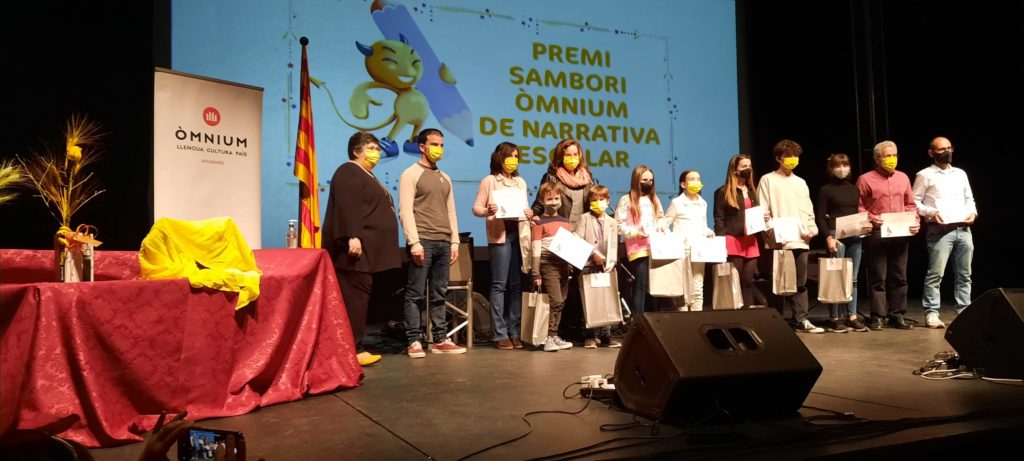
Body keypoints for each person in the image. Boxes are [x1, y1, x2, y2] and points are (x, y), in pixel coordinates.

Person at [322, 131, 401, 366]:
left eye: (377, 149)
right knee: (355, 298)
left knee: (359, 296)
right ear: (357, 151)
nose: (376, 153)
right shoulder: (348, 171)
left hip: (367, 252)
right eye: (371, 149)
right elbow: (348, 207)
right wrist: (352, 236)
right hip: (354, 250)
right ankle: (352, 349)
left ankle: (354, 346)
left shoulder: (366, 174)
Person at [398, 128, 466, 357]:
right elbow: (405, 210)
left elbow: (451, 211)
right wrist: (414, 242)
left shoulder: (445, 177)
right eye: (434, 144)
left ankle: (439, 339)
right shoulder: (410, 174)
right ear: (422, 147)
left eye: (441, 145)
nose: (439, 149)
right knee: (415, 293)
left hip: (444, 242)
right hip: (423, 240)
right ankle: (414, 340)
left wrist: (454, 242)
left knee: (439, 293)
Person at [472, 142, 533, 350]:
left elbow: (524, 208)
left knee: (517, 285)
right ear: (500, 158)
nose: (514, 160)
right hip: (500, 236)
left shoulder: (520, 182)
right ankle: (499, 333)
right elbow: (476, 208)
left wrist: (529, 213)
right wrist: (487, 211)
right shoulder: (489, 181)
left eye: (516, 156)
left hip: (519, 235)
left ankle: (515, 331)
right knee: (499, 285)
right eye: (510, 156)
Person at [758, 139, 822, 333]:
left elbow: (808, 211)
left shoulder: (801, 182)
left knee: (800, 282)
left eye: (795, 156)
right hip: (779, 240)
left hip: (800, 239)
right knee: (779, 281)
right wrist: (772, 232)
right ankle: (776, 320)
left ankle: (801, 318)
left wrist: (812, 229)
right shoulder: (768, 180)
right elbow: (763, 211)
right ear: (779, 158)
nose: (793, 159)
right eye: (788, 156)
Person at [913, 136, 977, 328]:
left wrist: (973, 212)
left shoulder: (960, 173)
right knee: (935, 274)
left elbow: (969, 198)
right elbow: (914, 201)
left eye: (949, 148)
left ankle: (964, 311)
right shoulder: (924, 175)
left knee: (964, 274)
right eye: (942, 149)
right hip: (940, 230)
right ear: (931, 153)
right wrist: (931, 213)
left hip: (963, 229)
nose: (947, 152)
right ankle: (932, 312)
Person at [857, 140, 920, 330]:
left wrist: (915, 221)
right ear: (878, 158)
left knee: (899, 276)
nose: (892, 159)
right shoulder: (865, 179)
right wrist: (871, 218)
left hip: (900, 234)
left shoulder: (903, 177)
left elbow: (910, 204)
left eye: (895, 155)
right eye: (888, 156)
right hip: (877, 234)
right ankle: (878, 316)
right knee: (878, 277)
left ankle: (897, 315)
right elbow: (859, 206)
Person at [816, 153, 872, 332]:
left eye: (845, 165)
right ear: (831, 169)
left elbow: (859, 212)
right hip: (835, 236)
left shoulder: (854, 189)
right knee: (835, 276)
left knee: (853, 278)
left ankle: (852, 316)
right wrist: (828, 237)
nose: (842, 169)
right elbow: (820, 217)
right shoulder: (826, 190)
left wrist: (865, 225)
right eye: (837, 166)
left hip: (854, 235)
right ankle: (835, 317)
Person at [713, 155, 768, 309]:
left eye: (749, 166)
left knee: (748, 280)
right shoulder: (723, 191)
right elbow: (719, 219)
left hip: (750, 240)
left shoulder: (752, 191)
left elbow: (753, 215)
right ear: (734, 170)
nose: (748, 169)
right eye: (744, 166)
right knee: (734, 281)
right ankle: (733, 314)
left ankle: (747, 313)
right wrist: (721, 242)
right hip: (733, 239)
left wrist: (763, 217)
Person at [574, 184, 622, 348]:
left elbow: (614, 244)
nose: (598, 203)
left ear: (607, 201)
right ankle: (590, 335)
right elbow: (578, 239)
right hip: (589, 265)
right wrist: (592, 253)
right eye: (594, 200)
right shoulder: (585, 218)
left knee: (606, 299)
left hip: (606, 267)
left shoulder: (612, 222)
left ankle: (606, 334)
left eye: (601, 200)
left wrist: (612, 262)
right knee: (590, 300)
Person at [616, 165, 664, 320]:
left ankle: (655, 320)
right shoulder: (626, 199)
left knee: (655, 286)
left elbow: (661, 218)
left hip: (656, 247)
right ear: (636, 180)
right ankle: (638, 321)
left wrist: (661, 226)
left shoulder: (654, 199)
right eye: (644, 180)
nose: (648, 183)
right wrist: (635, 232)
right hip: (638, 248)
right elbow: (618, 225)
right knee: (641, 286)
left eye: (651, 180)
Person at [532, 181, 575, 352]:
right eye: (549, 199)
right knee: (555, 301)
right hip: (547, 265)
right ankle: (548, 337)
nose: (554, 202)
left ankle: (554, 334)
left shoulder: (566, 222)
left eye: (557, 198)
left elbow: (570, 246)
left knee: (561, 302)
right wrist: (535, 273)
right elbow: (536, 249)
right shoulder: (538, 222)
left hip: (563, 265)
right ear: (542, 201)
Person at [664, 169, 715, 311]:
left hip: (698, 249)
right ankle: (682, 318)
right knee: (682, 287)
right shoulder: (677, 202)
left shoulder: (703, 203)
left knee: (698, 285)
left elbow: (702, 224)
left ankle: (697, 318)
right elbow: (666, 221)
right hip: (682, 249)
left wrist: (708, 231)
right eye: (692, 179)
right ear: (683, 184)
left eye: (698, 179)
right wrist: (669, 237)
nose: (696, 182)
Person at [530, 138, 594, 231]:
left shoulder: (586, 177)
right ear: (560, 156)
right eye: (568, 155)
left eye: (575, 154)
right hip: (559, 229)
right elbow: (540, 203)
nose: (572, 158)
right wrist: (534, 214)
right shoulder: (552, 177)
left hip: (583, 230)